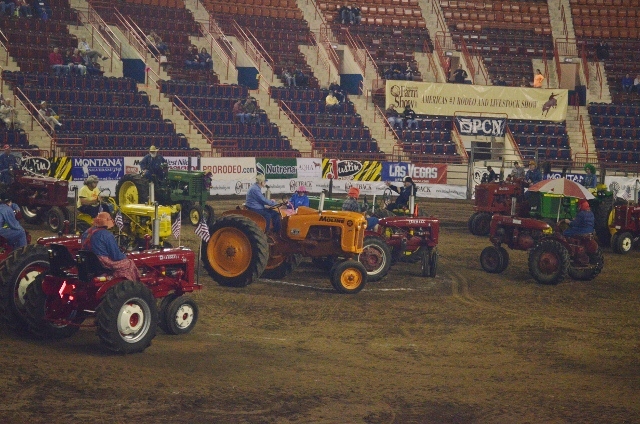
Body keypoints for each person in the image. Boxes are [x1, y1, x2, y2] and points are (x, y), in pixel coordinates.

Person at [81, 212, 139, 282]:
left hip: (90, 260)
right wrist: (125, 256)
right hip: (102, 262)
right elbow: (116, 256)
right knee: (129, 263)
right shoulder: (107, 235)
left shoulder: (87, 232)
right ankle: (129, 283)